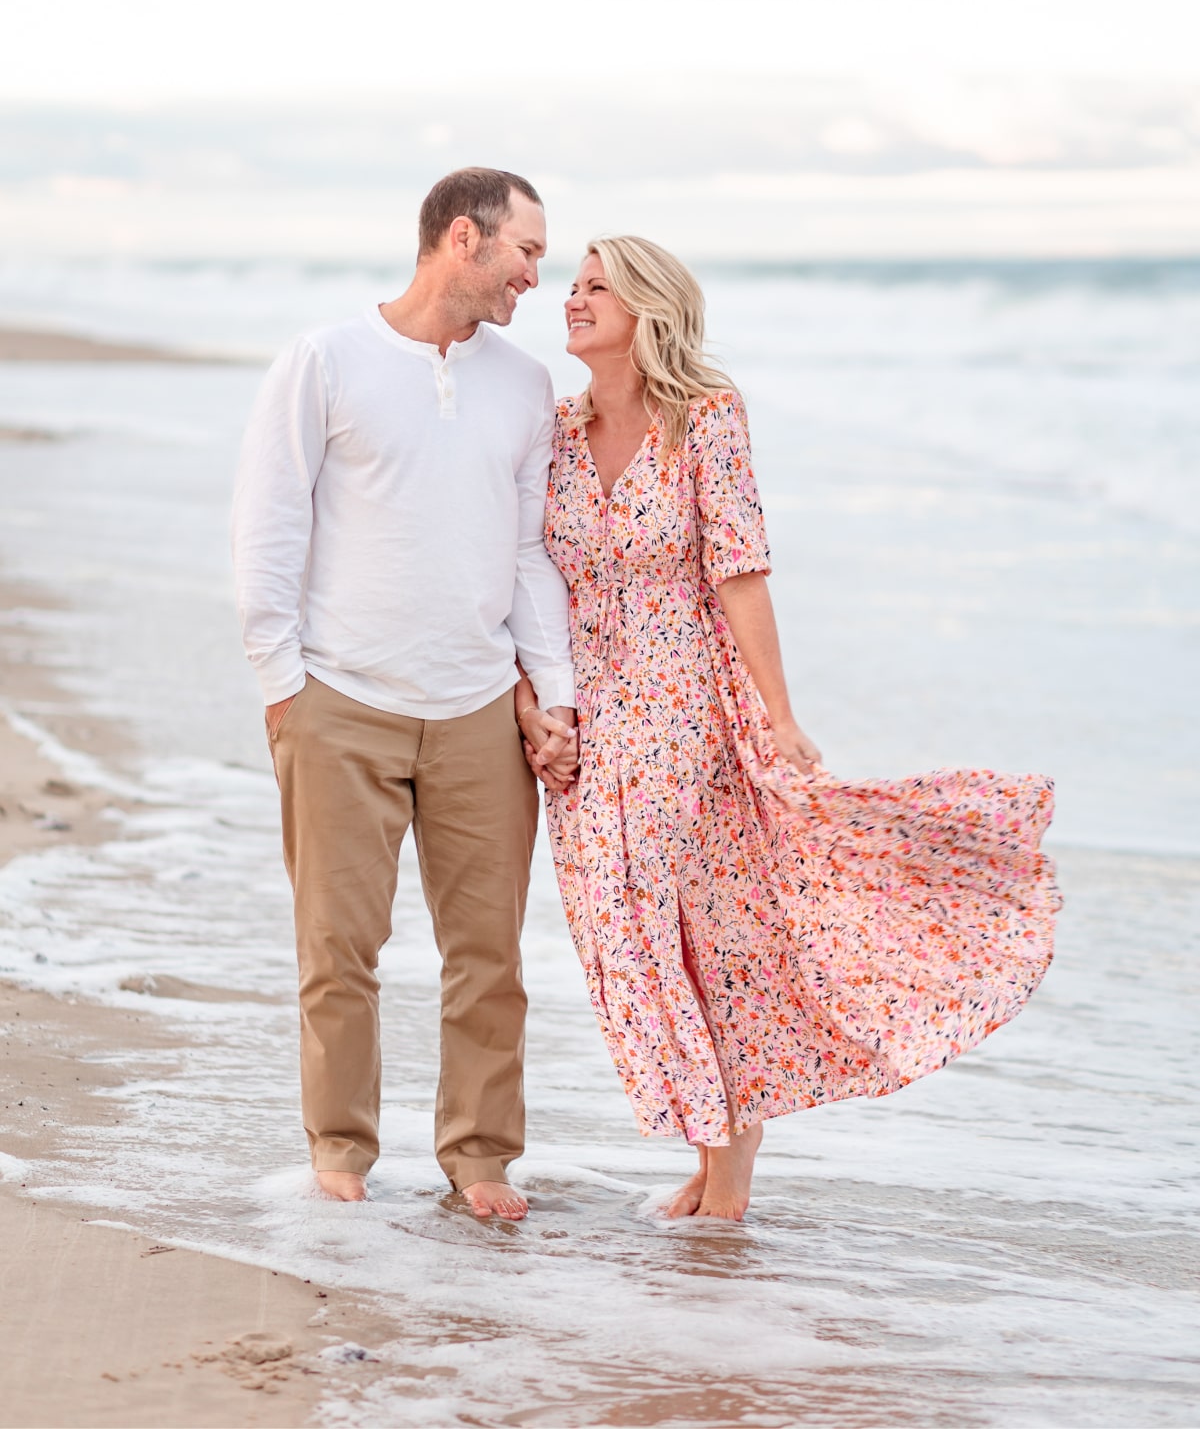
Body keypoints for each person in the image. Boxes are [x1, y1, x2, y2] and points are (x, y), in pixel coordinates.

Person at [516, 236, 1059, 1222]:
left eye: (598, 286)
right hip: (581, 730)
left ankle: (726, 1173)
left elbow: (739, 570)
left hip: (686, 715)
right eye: (575, 284)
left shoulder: (705, 418)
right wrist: (532, 701)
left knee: (700, 938)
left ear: (650, 308)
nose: (573, 298)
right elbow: (524, 577)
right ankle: (711, 1150)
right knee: (629, 941)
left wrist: (780, 713)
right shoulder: (553, 429)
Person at [231, 168, 578, 1220]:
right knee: (338, 949)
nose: (536, 275)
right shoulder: (325, 361)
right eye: (526, 251)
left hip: (479, 709)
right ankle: (340, 1151)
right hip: (339, 699)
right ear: (463, 240)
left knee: (490, 957)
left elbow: (527, 553)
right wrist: (283, 683)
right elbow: (269, 525)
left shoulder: (523, 383)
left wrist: (550, 692)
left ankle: (480, 1160)